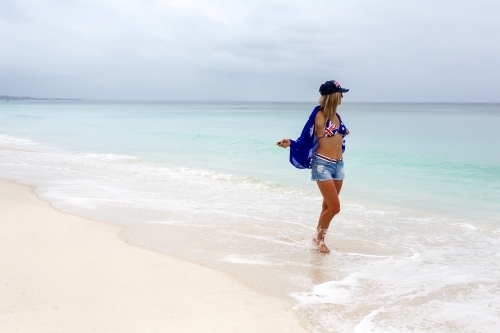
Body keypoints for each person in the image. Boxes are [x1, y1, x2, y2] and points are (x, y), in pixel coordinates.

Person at [277, 80, 350, 253]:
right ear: (333, 95)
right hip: (322, 165)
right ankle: (318, 240)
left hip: (338, 166)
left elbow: (335, 135)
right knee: (335, 207)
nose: (343, 96)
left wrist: (344, 131)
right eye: (340, 93)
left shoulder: (337, 116)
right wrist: (291, 143)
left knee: (327, 206)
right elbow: (306, 137)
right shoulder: (318, 114)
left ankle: (319, 239)